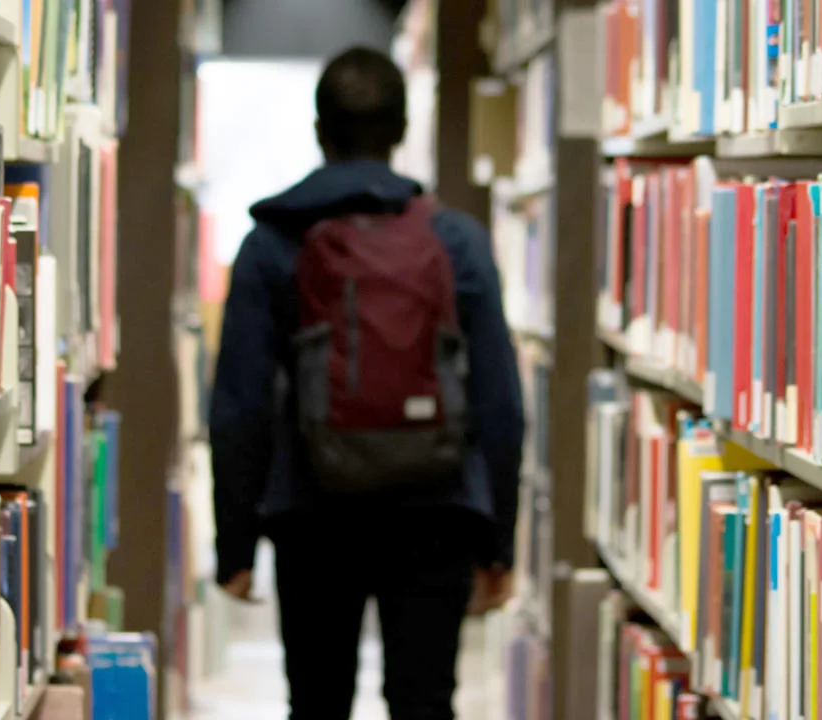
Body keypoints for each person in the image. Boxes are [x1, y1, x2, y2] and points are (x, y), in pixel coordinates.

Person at [210, 45, 524, 720]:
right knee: (424, 700)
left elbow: (240, 404)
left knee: (318, 702)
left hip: (312, 510)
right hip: (435, 509)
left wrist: (235, 542)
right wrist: (498, 541)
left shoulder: (270, 243)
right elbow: (500, 399)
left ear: (320, 130)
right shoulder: (456, 240)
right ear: (402, 130)